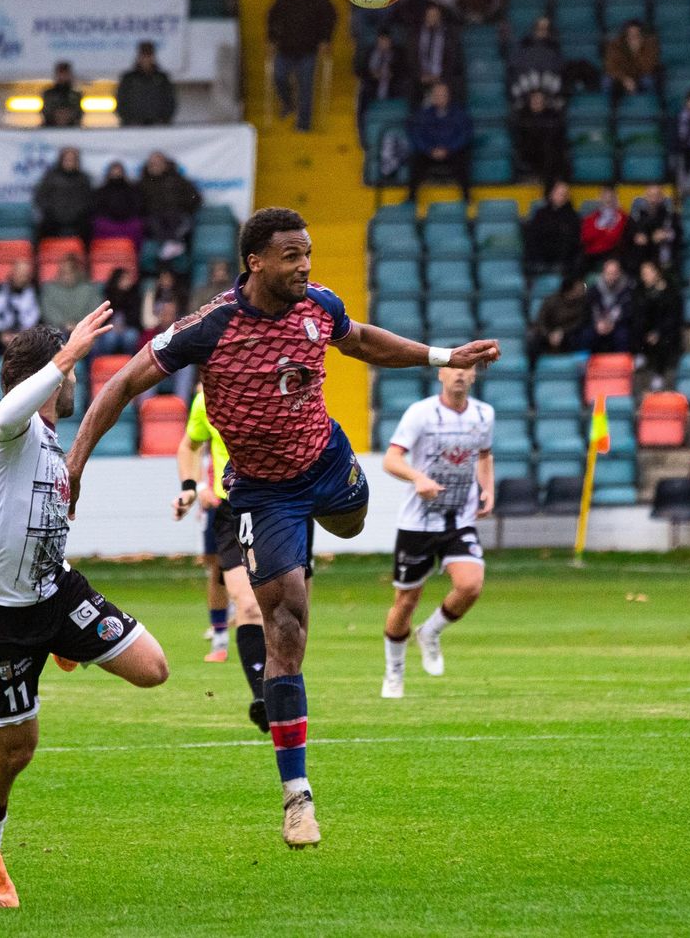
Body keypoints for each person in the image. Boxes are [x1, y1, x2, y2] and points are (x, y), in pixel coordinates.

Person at [66, 207, 499, 848]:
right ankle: (297, 798)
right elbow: (121, 385)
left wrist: (442, 354)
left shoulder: (318, 307)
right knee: (287, 622)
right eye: (292, 255)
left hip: (328, 466)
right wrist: (74, 469)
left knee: (351, 522)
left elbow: (361, 342)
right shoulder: (210, 327)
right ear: (256, 261)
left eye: (309, 252)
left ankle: (312, 540)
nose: (305, 265)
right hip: (263, 495)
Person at [0, 308, 167, 911]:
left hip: (55, 593)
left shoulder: (41, 444)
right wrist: (66, 355)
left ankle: (63, 642)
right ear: (49, 376)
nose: (75, 383)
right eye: (71, 374)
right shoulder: (12, 427)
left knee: (153, 667)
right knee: (15, 752)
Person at [380, 363, 493, 699]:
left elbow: (485, 455)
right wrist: (418, 478)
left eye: (466, 368)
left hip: (459, 519)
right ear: (440, 375)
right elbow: (391, 459)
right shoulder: (421, 414)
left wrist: (487, 490)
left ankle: (430, 633)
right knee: (406, 601)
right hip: (418, 522)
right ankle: (394, 671)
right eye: (451, 368)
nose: (459, 373)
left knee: (470, 584)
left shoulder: (484, 414)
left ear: (473, 375)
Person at [173, 391, 271, 716]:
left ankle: (282, 683)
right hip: (231, 512)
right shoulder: (206, 400)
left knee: (289, 611)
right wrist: (191, 488)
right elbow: (189, 444)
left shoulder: (279, 391)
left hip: (277, 508)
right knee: (248, 603)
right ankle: (263, 696)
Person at [267, 0, 337, 132]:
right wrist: (272, 39)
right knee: (278, 76)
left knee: (306, 86)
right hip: (285, 49)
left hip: (308, 50)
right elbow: (272, 17)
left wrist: (325, 39)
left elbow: (330, 16)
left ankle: (304, 124)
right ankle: (288, 103)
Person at [407, 80, 472, 203]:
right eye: (437, 95)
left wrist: (449, 149)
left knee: (464, 158)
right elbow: (417, 135)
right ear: (432, 97)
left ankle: (467, 198)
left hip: (452, 152)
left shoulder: (459, 114)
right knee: (415, 159)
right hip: (430, 152)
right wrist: (429, 149)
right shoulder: (423, 115)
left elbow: (464, 134)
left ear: (449, 96)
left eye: (443, 95)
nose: (440, 98)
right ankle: (411, 198)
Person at [138, 152, 202, 262]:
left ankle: (171, 246)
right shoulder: (143, 183)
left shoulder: (178, 180)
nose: (155, 166)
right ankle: (171, 244)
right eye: (152, 164)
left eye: (157, 163)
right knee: (153, 222)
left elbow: (195, 197)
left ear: (165, 164)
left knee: (182, 221)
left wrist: (183, 208)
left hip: (177, 215)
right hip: (155, 217)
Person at [632, 260, 682, 389]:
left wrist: (658, 332)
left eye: (648, 273)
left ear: (657, 273)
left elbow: (672, 318)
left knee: (664, 341)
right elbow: (640, 316)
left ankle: (659, 375)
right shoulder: (641, 292)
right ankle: (639, 354)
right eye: (643, 273)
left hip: (665, 331)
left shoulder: (670, 292)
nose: (645, 276)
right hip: (646, 332)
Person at [33, 148, 95, 241]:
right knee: (40, 229)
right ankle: (36, 255)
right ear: (61, 160)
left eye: (72, 160)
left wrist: (80, 212)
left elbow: (89, 199)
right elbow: (40, 197)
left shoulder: (84, 178)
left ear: (77, 161)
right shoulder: (50, 177)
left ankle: (86, 255)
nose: (69, 162)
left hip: (77, 218)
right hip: (54, 217)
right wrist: (49, 211)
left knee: (88, 228)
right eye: (67, 160)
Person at [621, 185, 682, 279]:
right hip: (640, 261)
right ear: (645, 197)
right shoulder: (636, 216)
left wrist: (666, 235)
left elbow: (679, 234)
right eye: (651, 196)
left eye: (657, 196)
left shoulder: (671, 216)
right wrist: (635, 237)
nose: (653, 200)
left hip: (663, 260)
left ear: (662, 198)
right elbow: (626, 235)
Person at [0, 259, 40, 358]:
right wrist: (1, 333)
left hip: (25, 336)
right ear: (12, 273)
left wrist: (21, 334)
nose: (21, 277)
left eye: (25, 274)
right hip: (0, 336)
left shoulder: (34, 293)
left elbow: (34, 317)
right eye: (19, 273)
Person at [406, 4, 463, 102]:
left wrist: (440, 76)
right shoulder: (415, 34)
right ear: (425, 17)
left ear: (440, 17)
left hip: (443, 77)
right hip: (420, 78)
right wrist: (421, 75)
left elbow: (453, 59)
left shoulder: (449, 35)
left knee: (456, 85)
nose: (432, 18)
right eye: (430, 15)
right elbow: (411, 58)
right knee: (409, 86)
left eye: (435, 16)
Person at [522, 180, 581, 274]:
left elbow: (573, 242)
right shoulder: (540, 214)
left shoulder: (573, 216)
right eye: (559, 193)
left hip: (563, 261)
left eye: (564, 194)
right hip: (541, 258)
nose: (562, 197)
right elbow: (533, 237)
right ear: (551, 194)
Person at [511, 89, 567, 189]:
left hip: (547, 153)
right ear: (530, 101)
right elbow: (519, 138)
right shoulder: (523, 115)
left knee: (553, 151)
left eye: (540, 100)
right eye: (534, 99)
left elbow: (558, 136)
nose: (537, 102)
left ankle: (553, 184)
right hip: (529, 152)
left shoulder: (551, 115)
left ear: (544, 101)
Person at [115, 41, 176, 127]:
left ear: (153, 57)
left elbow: (170, 102)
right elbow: (121, 102)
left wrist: (163, 120)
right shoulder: (129, 79)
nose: (146, 59)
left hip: (158, 127)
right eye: (144, 56)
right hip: (132, 128)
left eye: (149, 56)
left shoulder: (162, 79)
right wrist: (129, 121)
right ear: (139, 57)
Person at [525, 275, 589, 356]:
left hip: (568, 335)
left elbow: (579, 323)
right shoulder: (550, 301)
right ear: (570, 289)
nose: (582, 289)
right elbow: (541, 321)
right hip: (548, 334)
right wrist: (549, 335)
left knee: (583, 336)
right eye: (578, 287)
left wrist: (562, 332)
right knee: (533, 339)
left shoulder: (582, 303)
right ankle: (532, 367)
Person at [39, 254, 103, 333]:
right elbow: (48, 311)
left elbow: (95, 309)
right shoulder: (49, 289)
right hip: (57, 329)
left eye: (70, 272)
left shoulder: (90, 288)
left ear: (78, 272)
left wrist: (79, 324)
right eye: (64, 272)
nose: (67, 276)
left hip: (86, 329)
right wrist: (64, 324)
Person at [507, 16, 563, 103]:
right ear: (535, 29)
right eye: (539, 28)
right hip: (527, 81)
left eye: (545, 28)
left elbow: (557, 67)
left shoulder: (553, 47)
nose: (542, 31)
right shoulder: (524, 45)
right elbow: (515, 64)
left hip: (546, 84)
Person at [585, 259, 634, 353]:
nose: (611, 276)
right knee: (586, 335)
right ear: (603, 273)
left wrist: (613, 323)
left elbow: (628, 311)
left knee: (623, 336)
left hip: (618, 323)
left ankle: (621, 364)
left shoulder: (627, 289)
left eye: (614, 273)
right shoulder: (594, 290)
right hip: (598, 323)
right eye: (608, 273)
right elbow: (590, 310)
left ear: (619, 273)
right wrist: (598, 323)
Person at [355, 30, 404, 123]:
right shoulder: (369, 52)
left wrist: (391, 74)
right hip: (371, 88)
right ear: (377, 40)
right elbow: (359, 70)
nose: (384, 43)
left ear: (390, 41)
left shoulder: (398, 54)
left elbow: (403, 71)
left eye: (386, 41)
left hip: (391, 88)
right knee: (363, 94)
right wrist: (372, 74)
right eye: (381, 40)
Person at [91, 161, 145, 246]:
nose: (116, 174)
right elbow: (98, 208)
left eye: (119, 171)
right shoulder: (101, 190)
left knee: (137, 225)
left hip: (128, 221)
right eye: (114, 171)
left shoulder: (132, 190)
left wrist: (125, 216)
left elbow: (137, 206)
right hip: (108, 222)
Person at [604, 20, 660, 97]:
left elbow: (648, 67)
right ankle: (614, 107)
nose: (633, 37)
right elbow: (611, 67)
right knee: (608, 81)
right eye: (630, 34)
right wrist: (624, 79)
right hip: (621, 77)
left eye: (636, 34)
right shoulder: (615, 45)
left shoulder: (649, 45)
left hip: (640, 76)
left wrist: (636, 52)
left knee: (651, 78)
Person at [100, 263, 143, 355]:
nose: (128, 281)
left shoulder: (135, 295)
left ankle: (130, 361)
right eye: (124, 279)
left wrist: (124, 326)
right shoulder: (108, 294)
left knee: (131, 337)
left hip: (128, 327)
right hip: (111, 327)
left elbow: (136, 317)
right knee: (109, 338)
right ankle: (108, 363)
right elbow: (104, 316)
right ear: (117, 280)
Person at [580, 185, 626, 264]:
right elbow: (586, 238)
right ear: (600, 198)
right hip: (591, 254)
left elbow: (615, 239)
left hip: (612, 254)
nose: (608, 199)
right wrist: (603, 229)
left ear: (615, 198)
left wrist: (599, 231)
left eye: (611, 197)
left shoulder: (622, 217)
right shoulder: (591, 218)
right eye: (605, 196)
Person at [41, 62, 84, 128]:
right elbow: (45, 112)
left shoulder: (76, 95)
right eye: (61, 73)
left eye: (65, 74)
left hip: (72, 129)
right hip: (50, 128)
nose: (63, 77)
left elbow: (79, 113)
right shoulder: (48, 94)